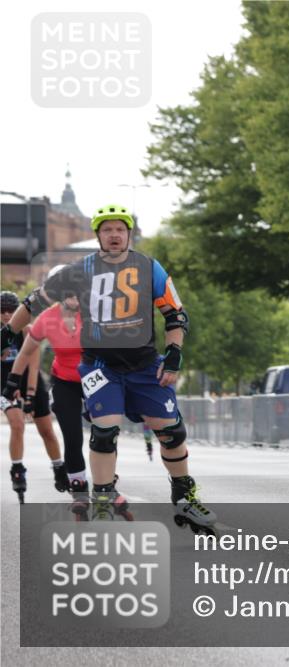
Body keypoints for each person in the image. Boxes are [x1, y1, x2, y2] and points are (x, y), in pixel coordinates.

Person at [13, 203, 215, 532]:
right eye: (107, 230)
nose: (114, 235)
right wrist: (8, 331)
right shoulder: (80, 271)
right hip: (101, 367)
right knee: (105, 432)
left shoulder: (150, 268)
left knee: (172, 432)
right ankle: (104, 502)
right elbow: (33, 302)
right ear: (98, 237)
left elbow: (175, 315)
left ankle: (184, 498)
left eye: (120, 229)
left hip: (145, 365)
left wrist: (174, 354)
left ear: (129, 234)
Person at [1, 290, 68, 502]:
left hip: (30, 381)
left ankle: (58, 467)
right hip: (5, 384)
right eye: (2, 311)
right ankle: (17, 468)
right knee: (17, 423)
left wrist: (30, 396)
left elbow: (33, 365)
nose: (7, 315)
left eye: (11, 311)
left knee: (47, 430)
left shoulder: (27, 330)